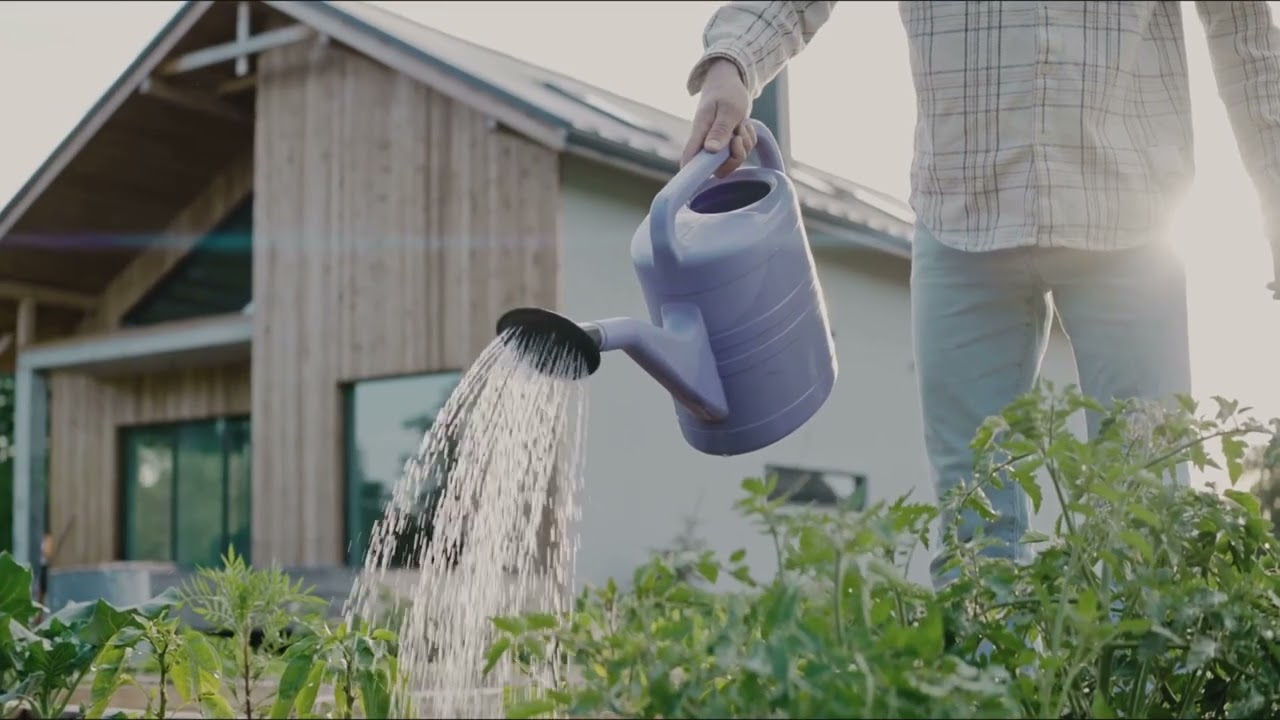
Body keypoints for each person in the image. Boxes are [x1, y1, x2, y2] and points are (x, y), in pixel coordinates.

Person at [683, 1, 1280, 588]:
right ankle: (988, 682)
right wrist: (731, 63)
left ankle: (1134, 688)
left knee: (1147, 512)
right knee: (973, 528)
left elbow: (1247, 36)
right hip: (962, 208)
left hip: (1130, 217)